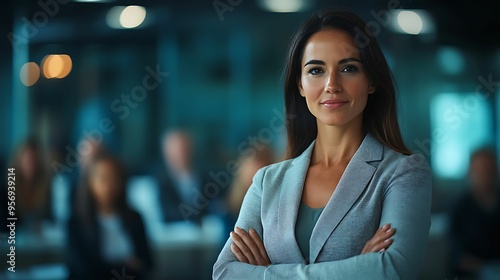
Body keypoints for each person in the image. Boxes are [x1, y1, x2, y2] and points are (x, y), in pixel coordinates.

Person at [213, 8, 432, 279]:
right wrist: (358, 269)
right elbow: (224, 272)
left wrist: (267, 272)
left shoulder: (404, 172)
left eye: (348, 68)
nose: (331, 84)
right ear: (301, 85)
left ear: (372, 80)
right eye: (316, 70)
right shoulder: (267, 181)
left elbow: (393, 269)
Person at [67, 153, 153, 280]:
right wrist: (124, 266)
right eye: (103, 178)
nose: (109, 185)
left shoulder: (134, 218)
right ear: (90, 183)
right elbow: (84, 268)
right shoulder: (76, 223)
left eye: (114, 178)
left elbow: (148, 263)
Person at [449, 148, 500, 279]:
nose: (484, 176)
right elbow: (457, 255)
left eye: (489, 170)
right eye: (480, 171)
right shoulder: (460, 208)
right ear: (470, 172)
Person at [157, 130, 208, 223]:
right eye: (176, 151)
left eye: (184, 149)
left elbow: (218, 206)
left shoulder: (207, 177)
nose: (181, 154)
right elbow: (168, 212)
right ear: (167, 153)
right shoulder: (160, 181)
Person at [11, 137, 52, 232]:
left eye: (34, 159)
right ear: (19, 160)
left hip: (40, 241)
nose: (31, 164)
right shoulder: (7, 188)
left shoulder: (46, 187)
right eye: (28, 159)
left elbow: (50, 218)